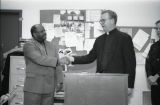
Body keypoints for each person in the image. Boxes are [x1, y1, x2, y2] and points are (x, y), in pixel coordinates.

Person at [66, 10, 136, 95]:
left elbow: (130, 63)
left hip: (118, 83)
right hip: (100, 82)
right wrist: (71, 58)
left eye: (103, 20)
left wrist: (129, 85)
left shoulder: (125, 38)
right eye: (101, 21)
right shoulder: (99, 40)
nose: (101, 23)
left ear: (112, 21)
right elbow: (90, 57)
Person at [23, 24, 67, 105]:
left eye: (44, 31)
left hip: (49, 88)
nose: (44, 33)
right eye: (41, 31)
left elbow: (57, 65)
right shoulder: (28, 45)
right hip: (33, 88)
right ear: (34, 34)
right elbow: (39, 59)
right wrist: (59, 61)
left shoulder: (52, 45)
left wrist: (60, 81)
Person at [145, 19, 160, 105]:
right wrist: (150, 76)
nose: (158, 31)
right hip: (154, 84)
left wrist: (157, 76)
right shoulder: (154, 46)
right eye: (157, 29)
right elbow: (148, 62)